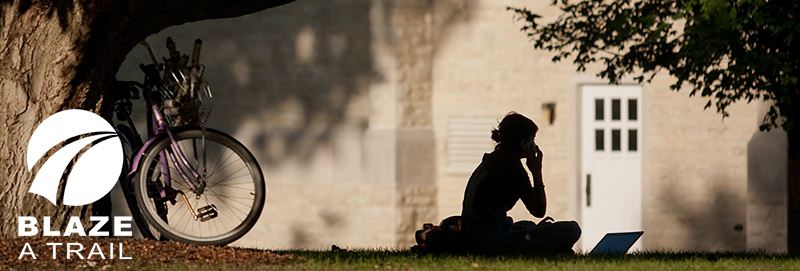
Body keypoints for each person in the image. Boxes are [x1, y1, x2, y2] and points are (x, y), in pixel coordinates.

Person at [461, 112, 581, 254]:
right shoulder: (512, 167)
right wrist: (536, 172)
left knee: (528, 225)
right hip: (496, 242)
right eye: (532, 139)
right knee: (572, 229)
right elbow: (539, 210)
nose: (534, 145)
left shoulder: (493, 159)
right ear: (522, 142)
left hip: (475, 237)